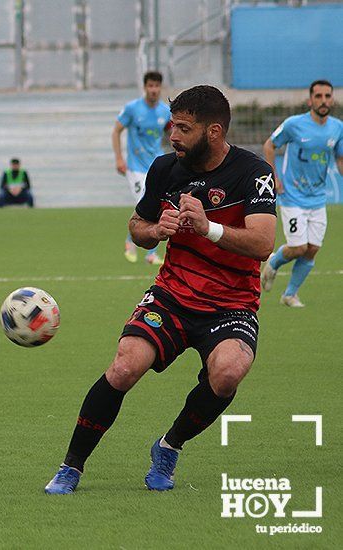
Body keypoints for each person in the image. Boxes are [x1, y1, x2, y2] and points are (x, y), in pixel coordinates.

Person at [45, 85, 276, 495]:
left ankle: (169, 446)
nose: (173, 135)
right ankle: (71, 467)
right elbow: (137, 229)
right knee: (124, 366)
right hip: (172, 295)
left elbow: (263, 243)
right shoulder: (165, 169)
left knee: (227, 374)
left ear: (214, 132)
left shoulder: (253, 172)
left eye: (184, 128)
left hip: (231, 304)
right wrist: (155, 229)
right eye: (173, 125)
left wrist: (209, 228)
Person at [261, 79, 343, 307]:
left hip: (317, 198)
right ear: (310, 100)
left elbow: (339, 160)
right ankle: (274, 263)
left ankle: (289, 295)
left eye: (327, 96)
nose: (323, 100)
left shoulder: (337, 128)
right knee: (298, 247)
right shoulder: (293, 124)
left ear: (332, 99)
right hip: (292, 195)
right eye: (318, 96)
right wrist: (273, 177)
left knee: (312, 250)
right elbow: (269, 145)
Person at [112, 71, 172, 265]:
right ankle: (136, 244)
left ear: (160, 87)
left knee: (158, 207)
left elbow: (173, 134)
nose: (153, 90)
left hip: (156, 165)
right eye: (150, 86)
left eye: (156, 86)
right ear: (145, 87)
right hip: (136, 166)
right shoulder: (132, 109)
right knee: (145, 204)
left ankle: (146, 251)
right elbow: (116, 131)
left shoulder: (165, 111)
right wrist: (119, 158)